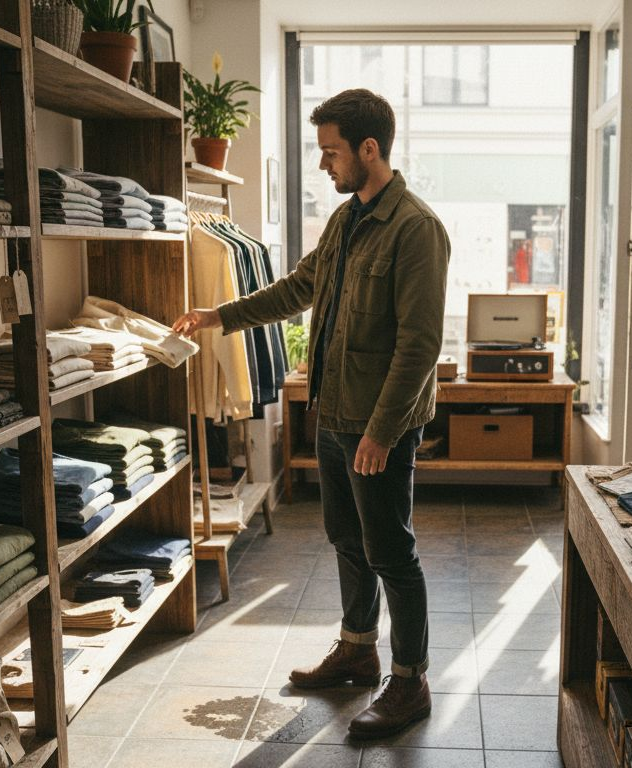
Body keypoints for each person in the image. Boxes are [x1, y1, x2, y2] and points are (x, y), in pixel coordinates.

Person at [172, 88, 450, 739]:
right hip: (333, 414)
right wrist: (221, 316)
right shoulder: (347, 219)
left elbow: (419, 346)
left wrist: (382, 433)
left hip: (376, 424)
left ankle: (410, 681)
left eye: (331, 152)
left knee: (392, 552)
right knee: (347, 541)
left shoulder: (416, 229)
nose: (325, 164)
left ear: (369, 149)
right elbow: (300, 287)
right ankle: (358, 648)